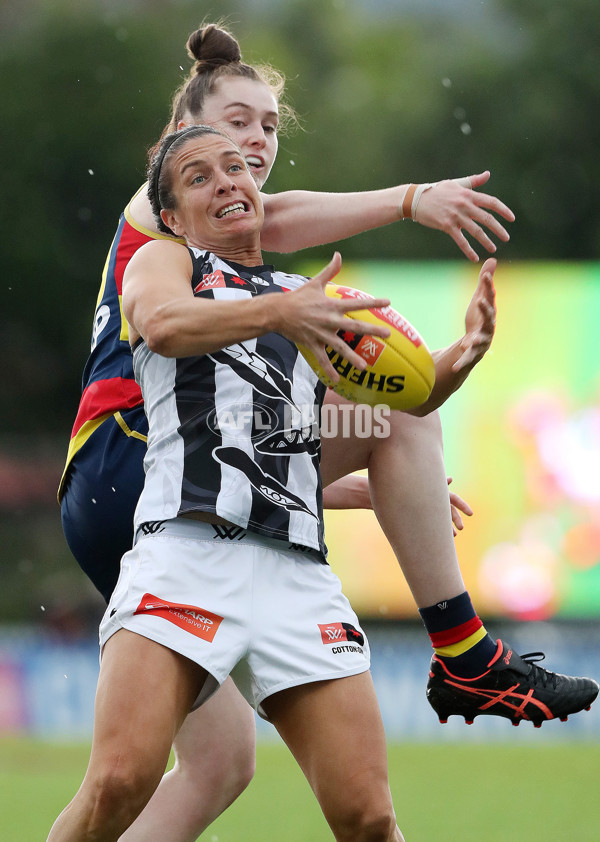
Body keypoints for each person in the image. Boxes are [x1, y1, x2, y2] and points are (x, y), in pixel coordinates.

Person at [55, 24, 596, 842]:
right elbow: (201, 293)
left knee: (226, 765)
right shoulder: (169, 233)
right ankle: (467, 654)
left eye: (268, 130)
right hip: (128, 464)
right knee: (122, 772)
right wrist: (410, 199)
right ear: (176, 147)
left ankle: (467, 657)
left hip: (201, 513)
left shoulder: (272, 284)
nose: (254, 147)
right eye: (237, 123)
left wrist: (460, 360)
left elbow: (285, 408)